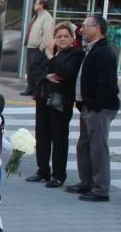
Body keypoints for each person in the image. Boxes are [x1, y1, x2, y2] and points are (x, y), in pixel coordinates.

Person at [67, 15, 119, 202]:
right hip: (88, 106)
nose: (81, 30)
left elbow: (106, 84)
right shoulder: (91, 49)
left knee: (98, 148)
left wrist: (94, 104)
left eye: (86, 26)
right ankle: (86, 182)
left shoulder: (104, 52)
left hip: (99, 108)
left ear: (97, 28)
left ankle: (101, 189)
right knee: (84, 146)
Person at [27, 22, 83, 188]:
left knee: (59, 138)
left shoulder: (76, 54)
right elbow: (33, 70)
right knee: (42, 136)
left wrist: (51, 57)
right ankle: (42, 170)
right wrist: (46, 76)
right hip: (43, 99)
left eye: (66, 36)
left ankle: (58, 175)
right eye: (59, 36)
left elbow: (66, 72)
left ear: (72, 39)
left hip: (60, 102)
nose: (62, 39)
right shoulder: (48, 52)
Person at [21, 0, 55, 96]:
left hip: (37, 48)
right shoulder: (36, 16)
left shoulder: (47, 17)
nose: (35, 5)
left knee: (37, 69)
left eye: (36, 3)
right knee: (30, 69)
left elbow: (47, 34)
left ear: (42, 5)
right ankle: (30, 88)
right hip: (31, 46)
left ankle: (36, 89)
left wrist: (42, 48)